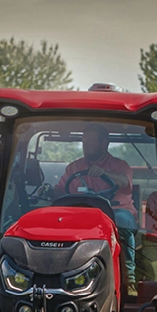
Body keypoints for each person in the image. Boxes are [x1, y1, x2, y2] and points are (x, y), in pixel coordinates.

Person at [54, 124, 137, 291]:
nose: (86, 147)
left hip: (115, 212)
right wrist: (49, 192)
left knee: (121, 220)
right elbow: (59, 191)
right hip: (80, 215)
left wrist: (105, 174)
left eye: (90, 142)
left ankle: (129, 279)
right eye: (84, 143)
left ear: (104, 143)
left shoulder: (119, 165)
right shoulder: (74, 167)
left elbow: (124, 181)